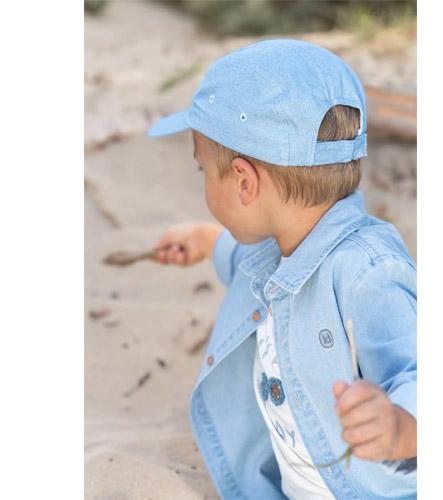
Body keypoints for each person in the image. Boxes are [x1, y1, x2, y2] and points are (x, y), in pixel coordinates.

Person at [147, 39, 416, 499]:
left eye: (202, 171)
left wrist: (401, 428)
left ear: (244, 182)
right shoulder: (280, 247)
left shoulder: (366, 272)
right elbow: (246, 261)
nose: (203, 181)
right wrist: (206, 240)